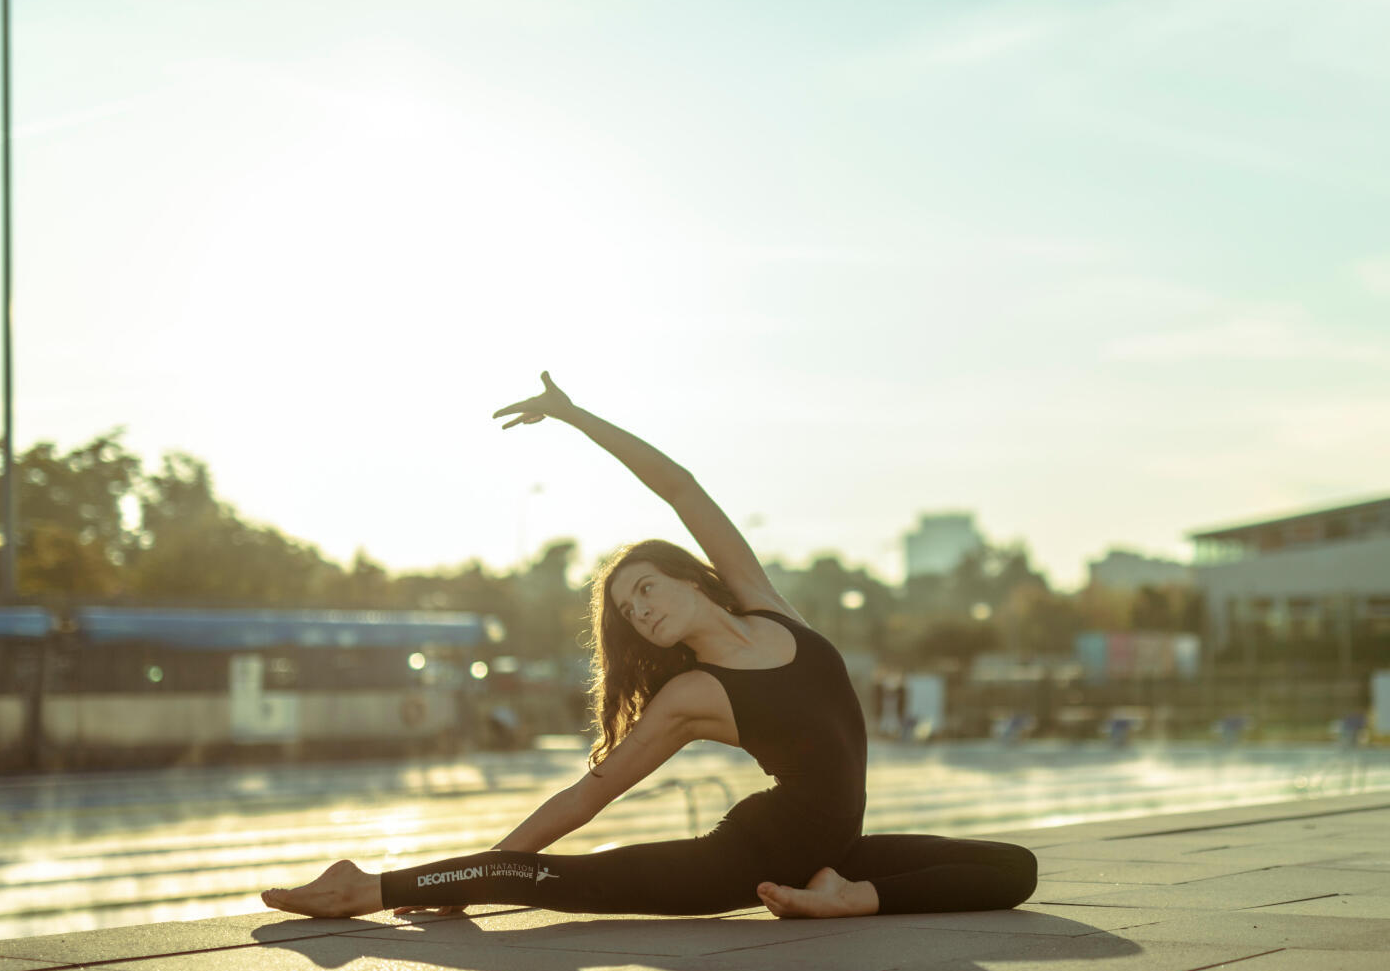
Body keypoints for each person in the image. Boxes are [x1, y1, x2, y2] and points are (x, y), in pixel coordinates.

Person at [262, 372, 1036, 921]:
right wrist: (481, 873)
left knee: (1015, 870)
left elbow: (683, 488)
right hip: (750, 858)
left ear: (690, 579)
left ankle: (848, 897)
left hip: (841, 851)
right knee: (575, 882)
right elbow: (588, 796)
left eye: (646, 591)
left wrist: (574, 417)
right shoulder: (691, 695)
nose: (640, 614)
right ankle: (364, 886)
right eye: (628, 612)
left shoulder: (767, 605)